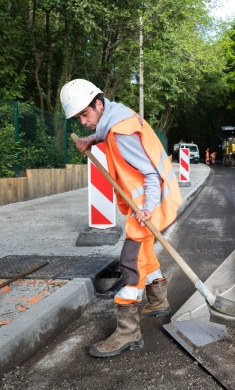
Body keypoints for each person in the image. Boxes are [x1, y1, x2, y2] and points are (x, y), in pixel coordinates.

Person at [60, 79, 182, 357]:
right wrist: (92, 139)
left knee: (130, 262)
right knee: (144, 255)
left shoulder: (120, 133)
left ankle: (128, 333)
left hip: (148, 206)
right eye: (77, 117)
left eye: (85, 114)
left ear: (98, 104)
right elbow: (105, 130)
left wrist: (148, 207)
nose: (82, 121)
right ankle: (158, 302)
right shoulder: (117, 117)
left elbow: (150, 173)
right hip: (151, 202)